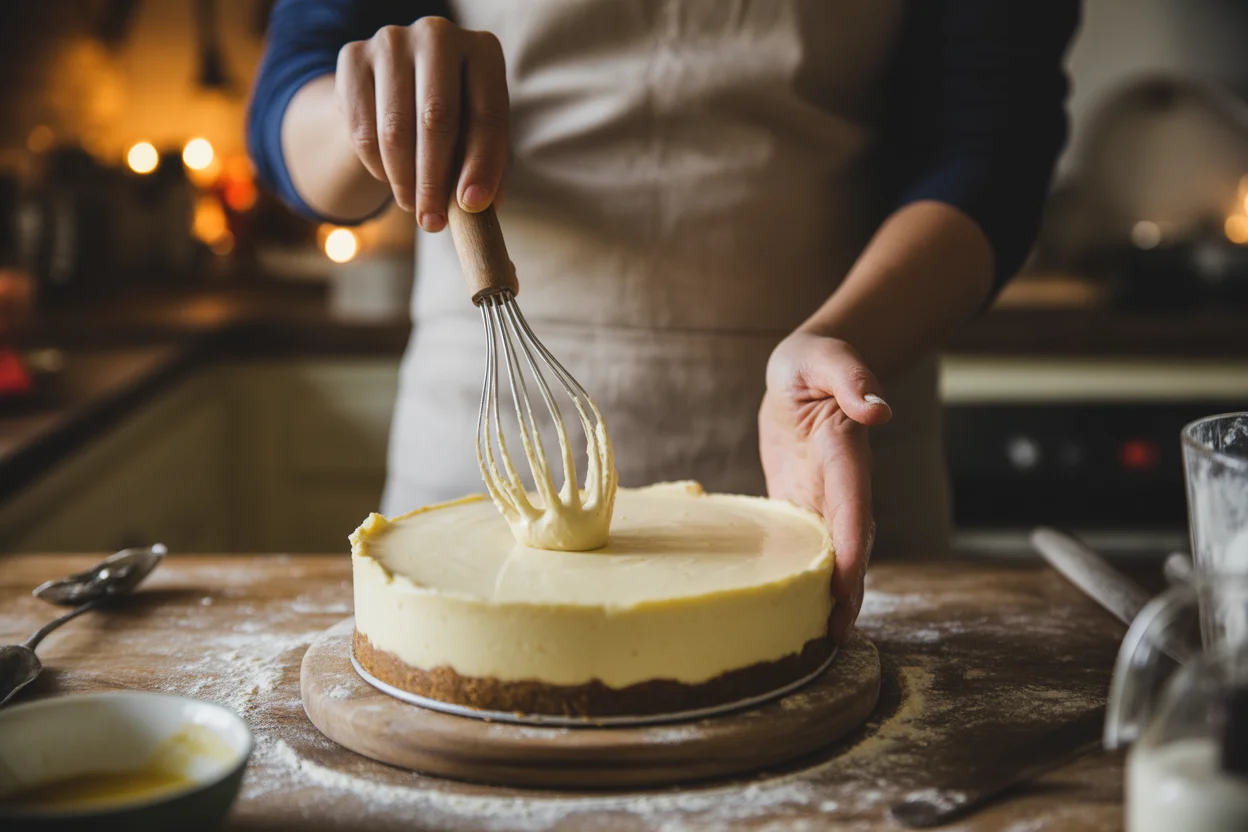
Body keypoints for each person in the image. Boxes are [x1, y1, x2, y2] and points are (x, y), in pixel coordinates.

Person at [248, 0, 1079, 641]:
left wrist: (850, 339)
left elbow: (993, 142)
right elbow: (292, 98)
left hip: (831, 428)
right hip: (480, 455)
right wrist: (371, 113)